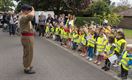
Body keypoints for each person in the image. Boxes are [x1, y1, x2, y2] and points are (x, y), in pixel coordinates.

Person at [19, 4, 35, 74]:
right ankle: (27, 68)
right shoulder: (23, 17)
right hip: (27, 37)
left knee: (29, 52)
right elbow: (31, 16)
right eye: (28, 10)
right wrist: (33, 9)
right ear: (24, 10)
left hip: (28, 36)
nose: (29, 11)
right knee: (27, 52)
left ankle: (28, 64)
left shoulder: (24, 16)